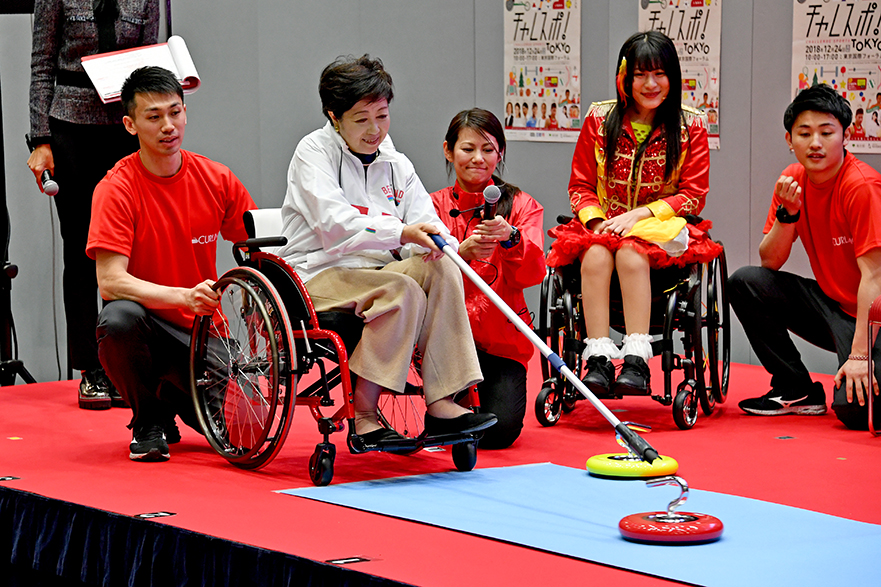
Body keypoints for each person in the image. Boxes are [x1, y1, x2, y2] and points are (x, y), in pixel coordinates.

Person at [276, 55, 497, 449]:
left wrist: (437, 239)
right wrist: (403, 232)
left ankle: (443, 402)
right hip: (318, 273)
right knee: (403, 291)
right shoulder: (312, 153)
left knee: (443, 268)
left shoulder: (395, 161)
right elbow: (335, 224)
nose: (374, 130)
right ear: (334, 116)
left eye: (381, 115)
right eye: (361, 120)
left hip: (378, 273)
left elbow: (424, 218)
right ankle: (363, 415)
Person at [87, 66, 257, 461]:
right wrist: (180, 296)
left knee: (243, 435)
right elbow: (110, 282)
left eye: (175, 112)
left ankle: (170, 398)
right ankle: (148, 419)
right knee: (118, 320)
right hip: (147, 327)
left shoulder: (217, 178)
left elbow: (258, 245)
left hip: (205, 337)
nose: (169, 126)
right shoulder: (116, 189)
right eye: (153, 116)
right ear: (130, 124)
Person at [546, 31, 719, 396]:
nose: (650, 84)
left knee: (630, 250)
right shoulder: (599, 118)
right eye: (640, 74)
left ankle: (637, 360)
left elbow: (693, 195)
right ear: (624, 76)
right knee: (593, 252)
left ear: (673, 76)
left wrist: (640, 217)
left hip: (659, 230)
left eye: (659, 73)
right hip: (603, 226)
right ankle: (598, 359)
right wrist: (596, 222)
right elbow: (580, 185)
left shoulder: (693, 125)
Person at [27, 0, 159, 410]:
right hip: (71, 131)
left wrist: (151, 128)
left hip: (125, 131)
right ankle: (92, 370)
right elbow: (41, 66)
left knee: (129, 252)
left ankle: (128, 363)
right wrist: (40, 140)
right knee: (82, 252)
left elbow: (147, 67)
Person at [729, 84, 881, 429]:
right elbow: (770, 262)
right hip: (834, 308)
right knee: (745, 283)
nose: (815, 143)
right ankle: (796, 388)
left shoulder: (861, 186)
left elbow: (875, 278)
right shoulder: (792, 179)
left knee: (857, 413)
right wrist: (788, 215)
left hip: (875, 316)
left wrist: (860, 356)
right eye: (805, 133)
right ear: (789, 139)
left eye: (826, 133)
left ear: (847, 135)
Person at [430, 108, 545, 449]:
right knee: (442, 429)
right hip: (447, 342)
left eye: (489, 150)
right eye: (468, 149)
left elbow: (532, 274)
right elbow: (417, 268)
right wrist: (459, 253)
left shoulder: (524, 206)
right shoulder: (431, 205)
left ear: (500, 153)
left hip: (502, 344)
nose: (478, 159)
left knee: (499, 433)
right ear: (449, 151)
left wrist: (512, 240)